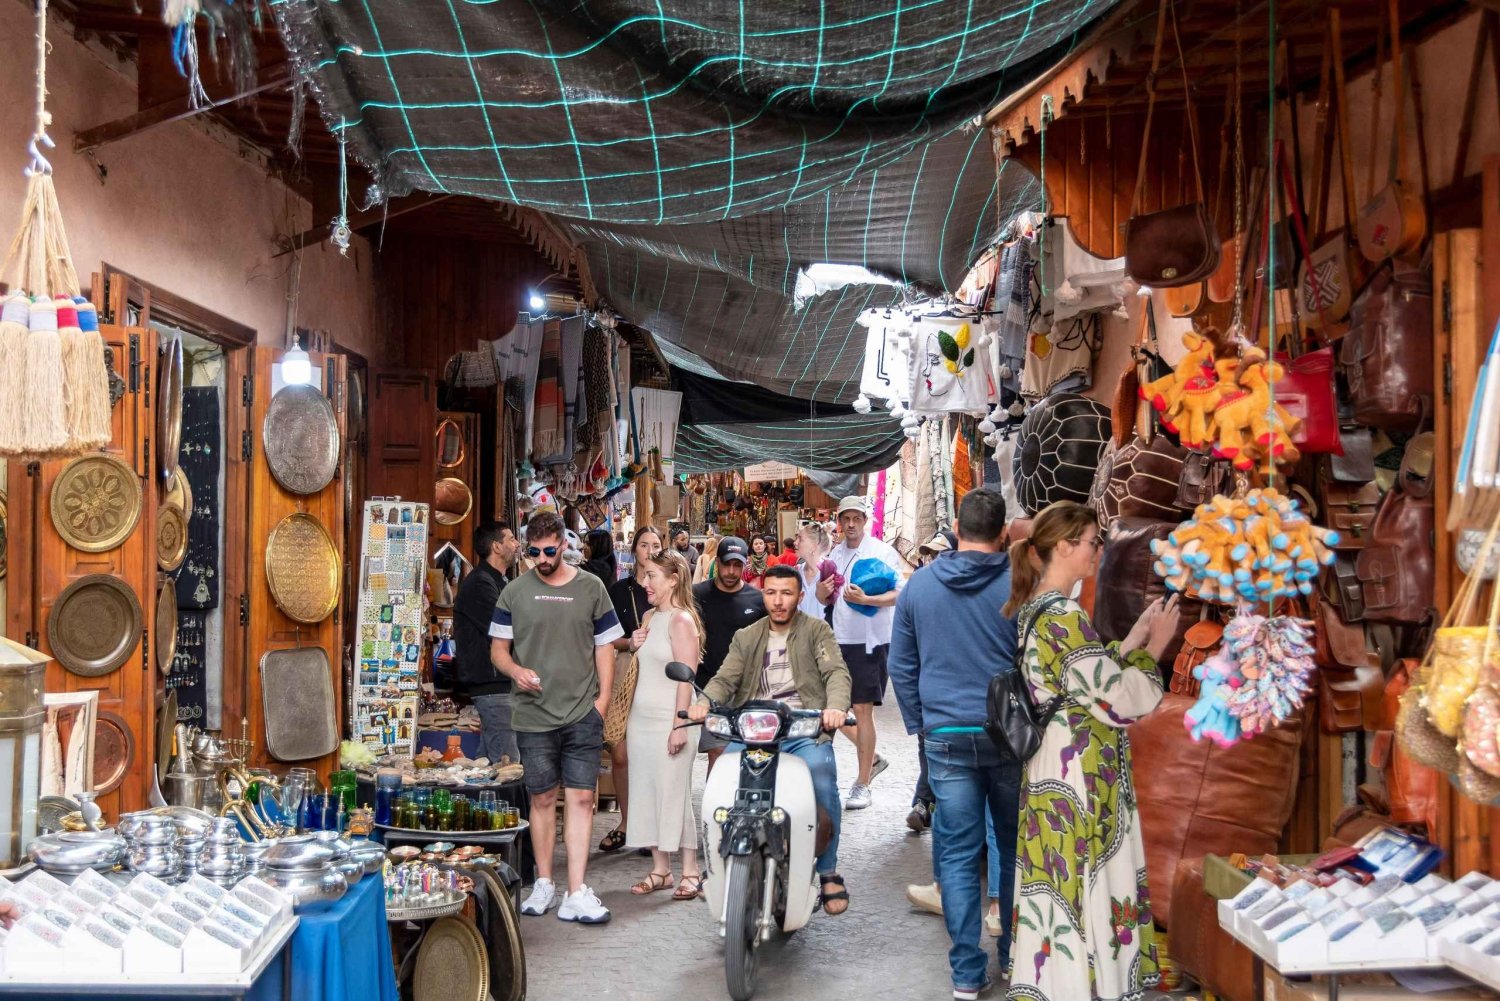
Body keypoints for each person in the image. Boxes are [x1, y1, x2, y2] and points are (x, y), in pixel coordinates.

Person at [1003, 500, 1179, 1001]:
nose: (1098, 552)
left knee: (1058, 882)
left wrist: (1134, 638)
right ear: (1064, 546)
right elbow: (1117, 701)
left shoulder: (1039, 607)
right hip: (1080, 774)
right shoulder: (1062, 614)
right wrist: (1154, 650)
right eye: (1092, 542)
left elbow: (1081, 679)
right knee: (1082, 880)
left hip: (1055, 767)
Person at [889, 490, 1021, 1001]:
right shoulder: (1019, 583)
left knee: (960, 856)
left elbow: (903, 665)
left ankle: (967, 974)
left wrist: (924, 725)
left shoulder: (919, 587)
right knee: (1010, 849)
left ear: (954, 528)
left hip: (945, 737)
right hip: (1007, 736)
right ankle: (1010, 955)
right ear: (1004, 532)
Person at [688, 565, 854, 914]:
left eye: (787, 593)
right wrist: (704, 703)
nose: (778, 601)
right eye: (771, 593)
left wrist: (836, 707)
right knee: (721, 784)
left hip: (801, 728)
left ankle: (827, 871)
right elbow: (725, 677)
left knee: (823, 778)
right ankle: (718, 866)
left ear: (799, 596)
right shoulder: (746, 636)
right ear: (763, 593)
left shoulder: (816, 631)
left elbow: (836, 672)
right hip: (754, 729)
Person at [492, 510, 623, 924]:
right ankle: (545, 882)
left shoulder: (592, 587)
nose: (543, 559)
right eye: (534, 552)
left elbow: (606, 646)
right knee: (542, 798)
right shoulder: (514, 592)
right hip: (532, 714)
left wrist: (602, 702)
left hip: (582, 710)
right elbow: (498, 650)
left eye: (550, 551)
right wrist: (515, 671)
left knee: (583, 798)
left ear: (564, 545)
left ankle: (577, 890)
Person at [624, 550, 706, 900]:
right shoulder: (647, 616)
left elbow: (686, 678)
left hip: (670, 718)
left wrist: (679, 725)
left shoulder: (681, 620)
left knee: (674, 794)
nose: (645, 583)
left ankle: (690, 870)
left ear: (673, 579)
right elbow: (643, 665)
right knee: (648, 791)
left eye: (652, 576)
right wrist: (632, 643)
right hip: (640, 719)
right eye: (644, 575)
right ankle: (661, 869)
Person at [824, 495, 902, 809]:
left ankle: (862, 783)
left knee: (862, 709)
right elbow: (827, 597)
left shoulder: (883, 552)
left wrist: (868, 600)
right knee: (829, 708)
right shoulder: (834, 554)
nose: (851, 524)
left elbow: (898, 593)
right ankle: (873, 758)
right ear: (839, 523)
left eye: (857, 518)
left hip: (871, 642)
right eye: (846, 519)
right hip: (839, 639)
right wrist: (823, 592)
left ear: (865, 521)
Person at [599, 526, 662, 855]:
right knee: (620, 754)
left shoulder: (667, 588)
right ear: (634, 550)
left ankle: (648, 827)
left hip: (658, 677)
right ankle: (627, 822)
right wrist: (629, 641)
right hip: (625, 672)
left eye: (655, 545)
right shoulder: (619, 590)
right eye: (644, 544)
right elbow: (605, 638)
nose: (649, 550)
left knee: (651, 753)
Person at [691, 536, 766, 769]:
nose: (732, 571)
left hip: (746, 689)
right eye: (727, 564)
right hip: (708, 685)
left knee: (749, 754)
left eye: (737, 565)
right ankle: (716, 805)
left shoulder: (758, 600)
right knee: (718, 752)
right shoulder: (696, 595)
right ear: (717, 563)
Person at [905, 527, 960, 833]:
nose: (933, 560)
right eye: (930, 554)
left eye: (940, 554)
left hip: (949, 696)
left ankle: (923, 805)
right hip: (929, 689)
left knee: (935, 753)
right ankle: (924, 805)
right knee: (928, 751)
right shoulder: (921, 590)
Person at [453, 521, 521, 766]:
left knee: (487, 762)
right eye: (511, 539)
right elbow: (504, 629)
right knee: (506, 763)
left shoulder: (498, 581)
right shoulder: (481, 583)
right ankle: (503, 804)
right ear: (497, 546)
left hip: (499, 683)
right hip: (492, 683)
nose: (517, 544)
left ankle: (486, 803)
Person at [793, 522, 838, 621]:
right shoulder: (796, 572)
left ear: (814, 545)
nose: (795, 542)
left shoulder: (832, 574)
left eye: (800, 538)